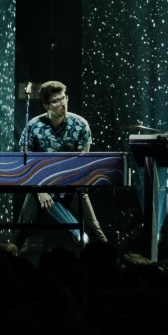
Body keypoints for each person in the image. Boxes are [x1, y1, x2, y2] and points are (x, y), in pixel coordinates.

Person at [18, 80, 110, 247]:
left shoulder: (80, 124)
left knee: (95, 231)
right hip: (41, 186)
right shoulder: (33, 126)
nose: (62, 103)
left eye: (64, 98)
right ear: (46, 105)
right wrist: (40, 190)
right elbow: (27, 164)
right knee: (21, 231)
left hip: (72, 187)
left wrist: (76, 186)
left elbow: (84, 163)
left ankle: (108, 260)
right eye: (56, 101)